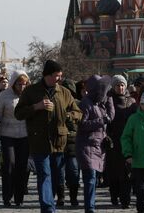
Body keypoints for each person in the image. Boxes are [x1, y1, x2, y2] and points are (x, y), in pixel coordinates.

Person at [14, 60, 82, 213]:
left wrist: (68, 115)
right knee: (44, 174)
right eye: (57, 76)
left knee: (56, 175)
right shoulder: (31, 91)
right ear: (47, 75)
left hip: (59, 141)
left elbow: (78, 113)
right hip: (39, 141)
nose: (59, 79)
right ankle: (48, 207)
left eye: (60, 76)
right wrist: (36, 107)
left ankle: (50, 201)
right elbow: (18, 113)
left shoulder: (64, 92)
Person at [75, 75, 115, 213]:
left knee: (94, 178)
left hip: (98, 145)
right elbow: (82, 125)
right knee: (90, 178)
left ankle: (90, 205)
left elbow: (111, 116)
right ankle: (89, 208)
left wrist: (109, 98)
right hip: (87, 145)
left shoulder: (100, 103)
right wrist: (100, 120)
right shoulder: (85, 103)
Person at [0, 70, 30, 207]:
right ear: (13, 83)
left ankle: (19, 198)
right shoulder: (4, 95)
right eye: (19, 84)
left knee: (22, 167)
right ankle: (7, 196)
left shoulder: (29, 95)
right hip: (7, 134)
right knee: (9, 165)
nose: (22, 87)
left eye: (25, 84)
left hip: (25, 135)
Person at [106, 75, 137, 209]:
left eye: (123, 85)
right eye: (118, 85)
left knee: (127, 171)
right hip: (113, 140)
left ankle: (126, 199)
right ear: (113, 87)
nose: (121, 87)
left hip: (128, 140)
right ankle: (114, 195)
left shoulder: (132, 101)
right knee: (113, 171)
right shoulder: (108, 100)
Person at [59, 78, 82, 206]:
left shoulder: (78, 104)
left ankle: (73, 197)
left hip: (74, 143)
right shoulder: (57, 103)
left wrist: (70, 115)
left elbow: (80, 118)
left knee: (73, 172)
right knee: (59, 173)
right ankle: (61, 197)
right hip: (59, 143)